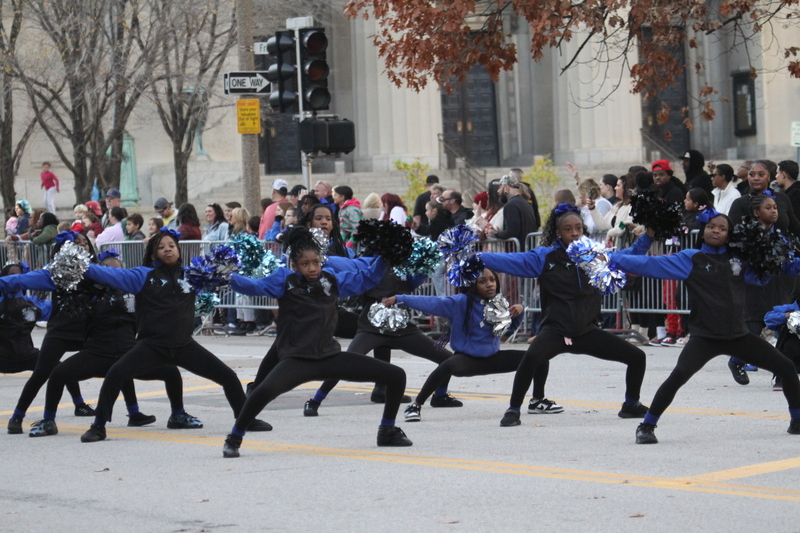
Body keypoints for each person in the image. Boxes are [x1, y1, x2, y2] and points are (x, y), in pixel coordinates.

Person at [609, 209, 800, 444]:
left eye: (722, 228)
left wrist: (785, 259)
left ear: (729, 235)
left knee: (787, 368)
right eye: (711, 227)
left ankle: (797, 420)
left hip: (738, 336)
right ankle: (646, 425)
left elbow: (765, 275)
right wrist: (611, 259)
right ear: (704, 231)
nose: (715, 231)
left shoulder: (739, 260)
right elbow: (648, 264)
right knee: (677, 377)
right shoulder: (691, 259)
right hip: (704, 338)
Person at [222, 227, 411, 458]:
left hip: (329, 357)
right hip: (297, 360)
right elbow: (253, 286)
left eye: (316, 262)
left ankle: (387, 431)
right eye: (305, 263)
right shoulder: (285, 281)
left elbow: (368, 277)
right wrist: (226, 276)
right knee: (262, 393)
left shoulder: (331, 280)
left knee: (396, 375)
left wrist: (385, 255)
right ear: (294, 264)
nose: (312, 268)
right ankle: (234, 437)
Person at [78, 228, 271, 443]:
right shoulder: (143, 276)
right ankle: (98, 426)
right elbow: (108, 274)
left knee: (228, 376)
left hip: (184, 346)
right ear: (153, 254)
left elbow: (230, 278)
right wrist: (81, 266)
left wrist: (259, 281)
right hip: (152, 346)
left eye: (171, 246)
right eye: (161, 247)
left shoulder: (193, 275)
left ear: (179, 250)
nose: (167, 250)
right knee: (115, 374)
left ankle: (245, 419)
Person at [479, 203, 651, 427]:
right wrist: (474, 256)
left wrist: (648, 236)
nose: (575, 233)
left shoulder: (594, 256)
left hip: (587, 331)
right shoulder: (545, 257)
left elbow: (629, 256)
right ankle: (513, 409)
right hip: (557, 331)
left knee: (637, 357)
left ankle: (630, 405)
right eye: (568, 229)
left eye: (578, 228)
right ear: (558, 232)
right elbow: (509, 261)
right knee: (530, 359)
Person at [27, 253, 187, 437]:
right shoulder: (89, 295)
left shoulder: (135, 294)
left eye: (120, 272)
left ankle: (178, 415)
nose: (116, 277)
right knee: (58, 375)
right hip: (98, 353)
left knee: (171, 372)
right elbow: (62, 309)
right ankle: (48, 421)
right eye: (110, 272)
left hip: (128, 354)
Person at [385, 268, 560, 422]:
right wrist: (400, 298)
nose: (489, 285)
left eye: (492, 280)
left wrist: (518, 312)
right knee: (447, 365)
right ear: (472, 285)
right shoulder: (460, 302)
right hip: (467, 361)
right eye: (482, 282)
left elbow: (508, 329)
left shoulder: (498, 302)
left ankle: (537, 400)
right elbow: (431, 303)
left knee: (540, 356)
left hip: (493, 358)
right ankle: (416, 405)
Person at [304, 261, 460, 417]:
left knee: (447, 358)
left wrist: (425, 265)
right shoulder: (370, 262)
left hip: (402, 328)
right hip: (372, 327)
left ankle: (440, 396)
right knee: (346, 362)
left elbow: (414, 282)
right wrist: (321, 260)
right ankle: (315, 400)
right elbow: (347, 266)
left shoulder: (406, 265)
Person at [4, 232, 100, 434]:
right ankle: (17, 417)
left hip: (88, 332)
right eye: (76, 243)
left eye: (85, 242)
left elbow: (125, 282)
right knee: (42, 373)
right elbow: (19, 281)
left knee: (119, 363)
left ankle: (132, 413)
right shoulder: (54, 274)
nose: (82, 246)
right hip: (60, 331)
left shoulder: (98, 274)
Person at [0, 262, 51, 375]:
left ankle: (77, 394)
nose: (15, 278)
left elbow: (60, 311)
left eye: (20, 276)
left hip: (28, 356)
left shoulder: (33, 303)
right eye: (11, 275)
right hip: (2, 358)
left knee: (62, 371)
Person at [588, 172, 642, 245]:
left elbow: (624, 224)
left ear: (625, 188)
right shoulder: (617, 206)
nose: (615, 188)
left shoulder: (633, 206)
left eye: (618, 185)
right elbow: (602, 224)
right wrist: (592, 208)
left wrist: (610, 233)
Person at [488, 174, 537, 244]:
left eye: (500, 187)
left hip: (519, 251)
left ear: (506, 188)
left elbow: (512, 232)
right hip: (527, 249)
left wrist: (495, 234)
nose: (498, 191)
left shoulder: (511, 205)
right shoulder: (525, 203)